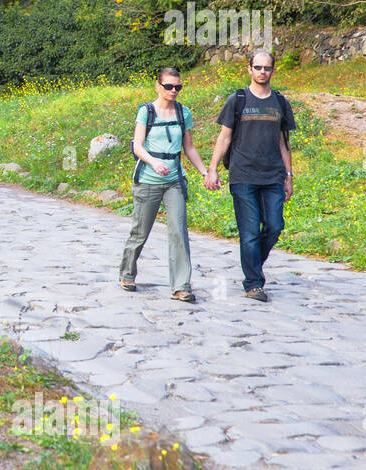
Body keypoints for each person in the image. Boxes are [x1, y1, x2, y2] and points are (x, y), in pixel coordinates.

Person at [206, 51, 297, 301]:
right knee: (249, 232)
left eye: (267, 68)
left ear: (273, 71)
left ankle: (253, 263)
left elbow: (283, 142)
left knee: (275, 225)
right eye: (257, 67)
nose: (262, 72)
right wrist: (212, 168)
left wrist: (289, 175)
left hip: (272, 176)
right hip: (243, 175)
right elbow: (224, 136)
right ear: (249, 70)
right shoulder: (238, 99)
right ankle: (253, 283)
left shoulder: (280, 102)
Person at [119, 67, 210, 301]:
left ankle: (181, 286)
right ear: (158, 86)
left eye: (177, 87)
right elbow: (137, 146)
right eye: (168, 86)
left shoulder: (183, 113)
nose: (173, 90)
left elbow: (188, 147)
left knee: (179, 231)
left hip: (174, 181)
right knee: (140, 231)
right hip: (148, 180)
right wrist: (153, 161)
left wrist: (204, 172)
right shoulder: (146, 112)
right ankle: (127, 273)